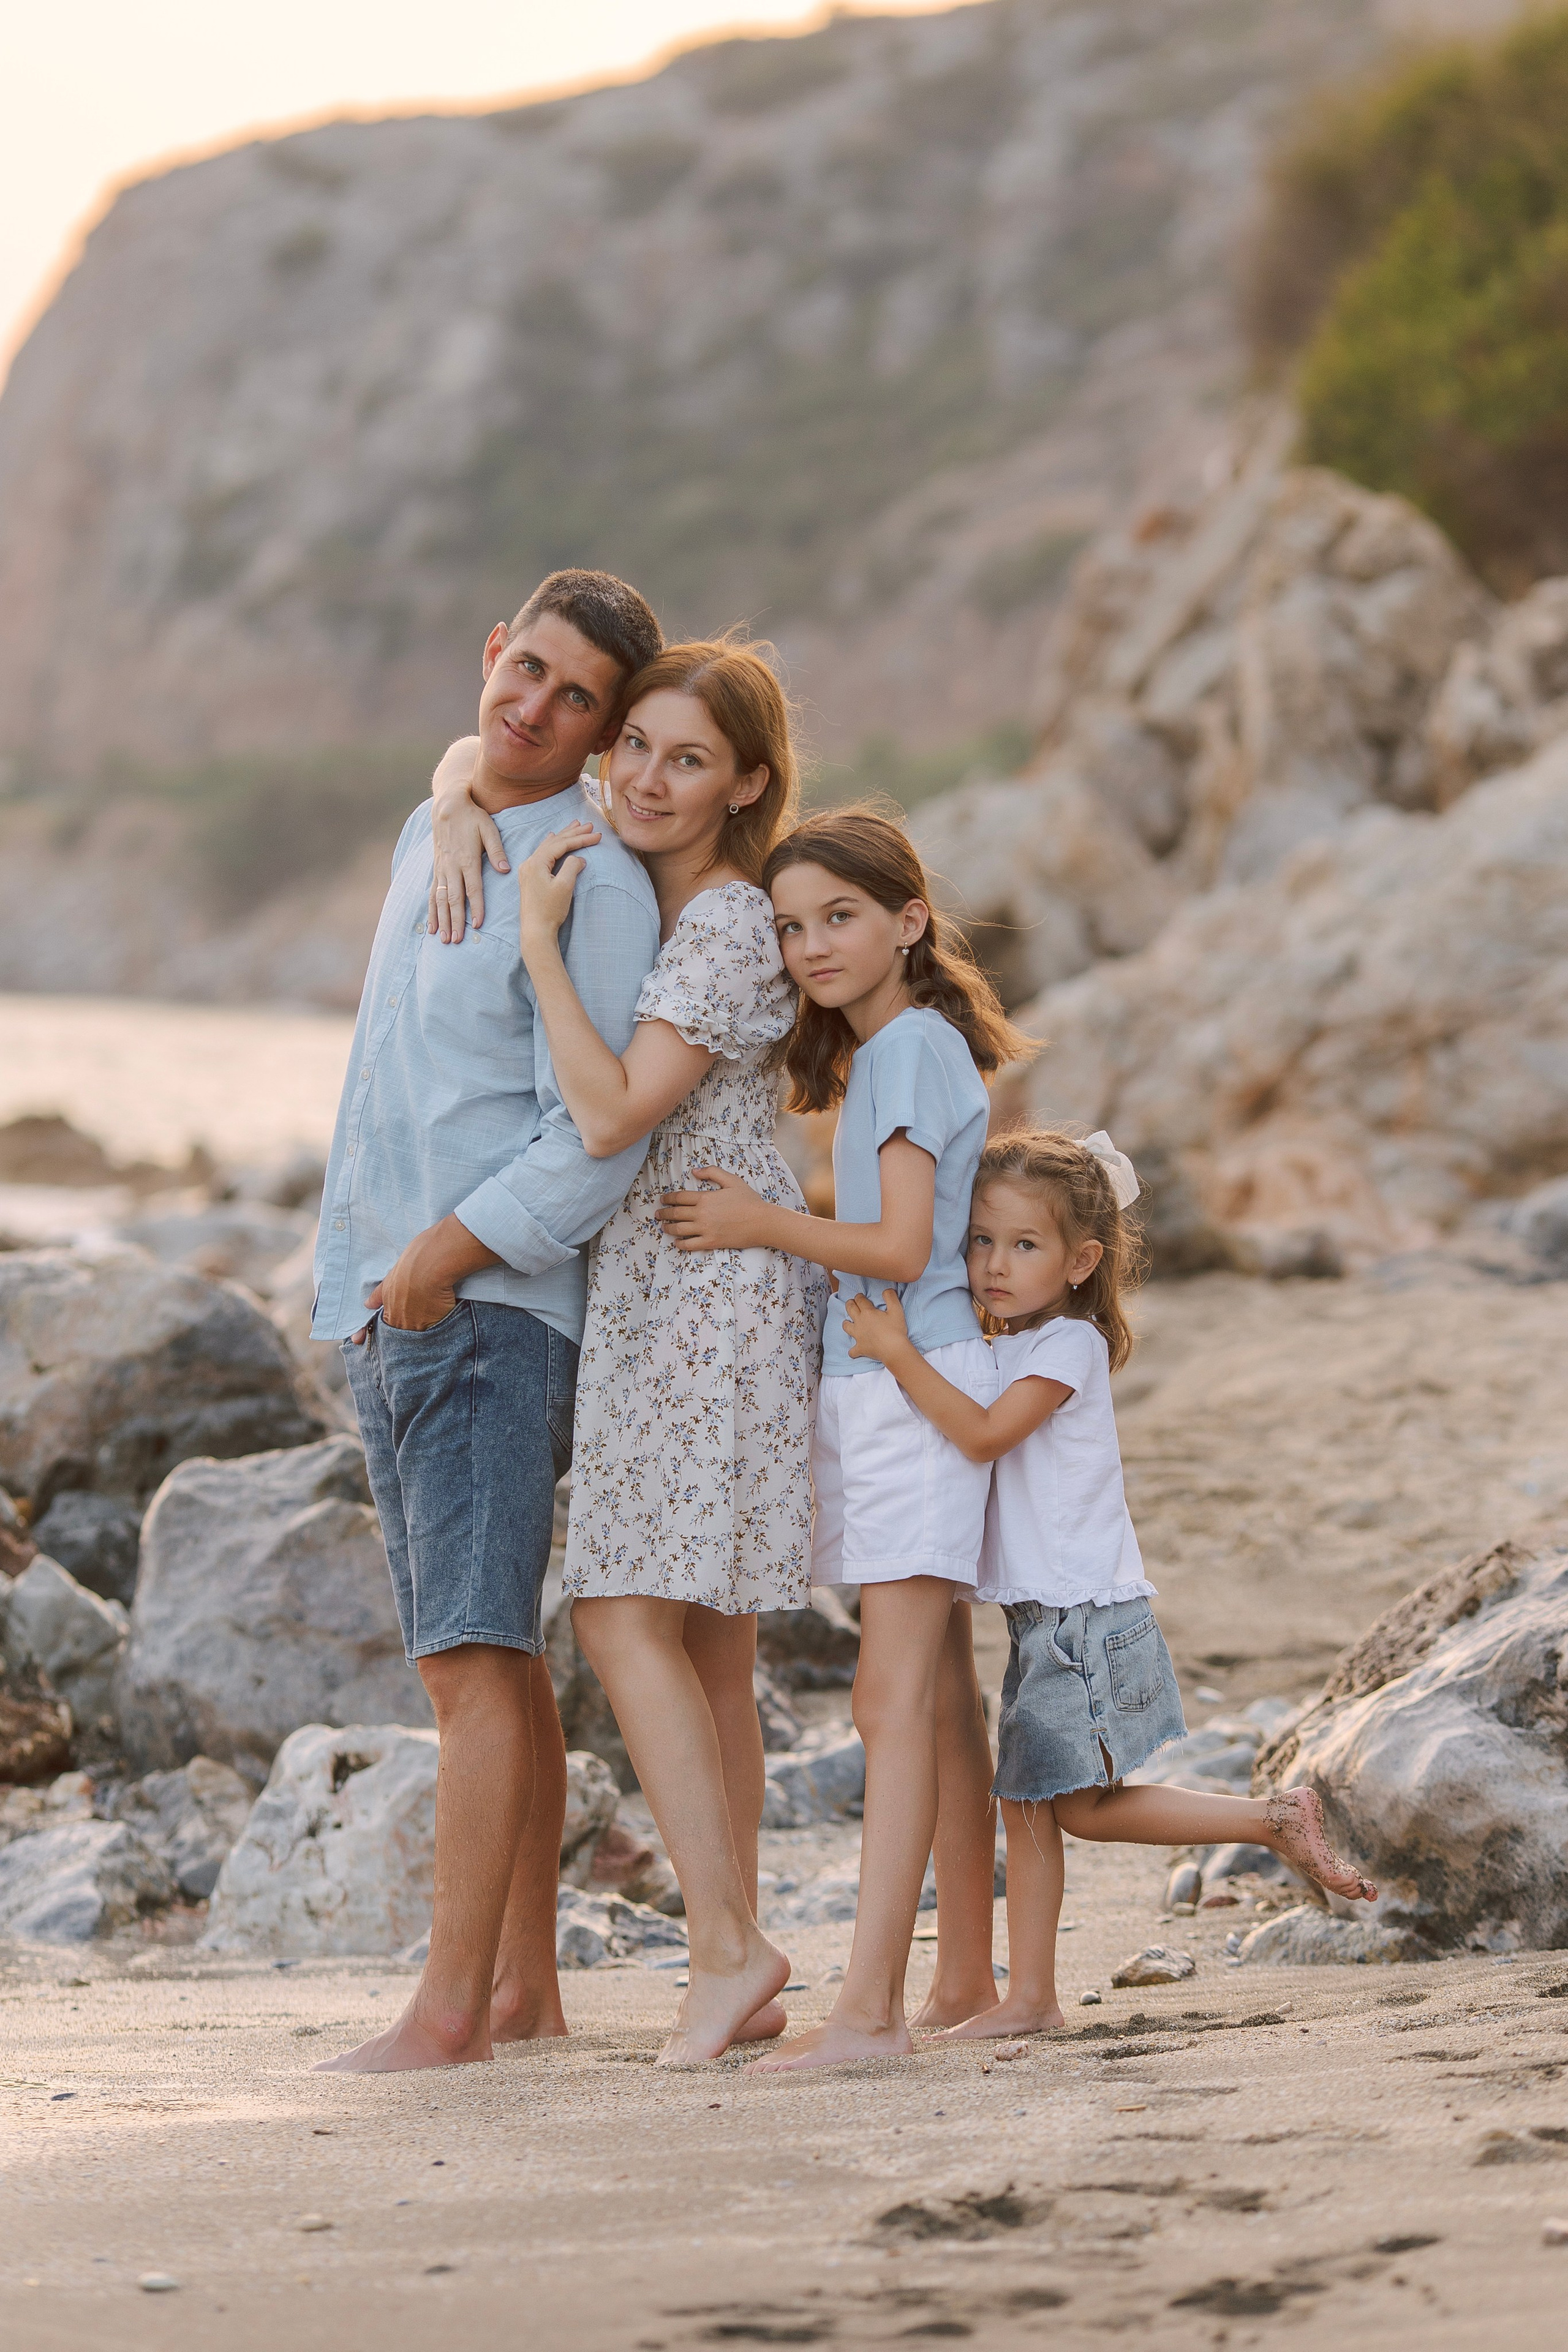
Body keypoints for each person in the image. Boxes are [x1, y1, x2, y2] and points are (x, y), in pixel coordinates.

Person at [424, 640, 824, 2066]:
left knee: (615, 1614)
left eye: (690, 759)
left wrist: (533, 945)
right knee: (712, 1647)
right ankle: (739, 1951)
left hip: (701, 1289)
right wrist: (460, 791)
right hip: (690, 1283)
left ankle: (726, 1948)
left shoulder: (716, 923)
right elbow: (474, 756)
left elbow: (609, 1119)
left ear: (747, 784)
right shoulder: (649, 881)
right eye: (636, 746)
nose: (650, 777)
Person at [310, 568, 665, 2075]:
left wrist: (447, 1256)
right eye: (523, 669)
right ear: (490, 654)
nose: (531, 706)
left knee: (464, 1664)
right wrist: (377, 1280)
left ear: (604, 728)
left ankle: (444, 2013)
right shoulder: (434, 822)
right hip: (388, 1302)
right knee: (493, 1663)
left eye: (573, 694)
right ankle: (523, 1996)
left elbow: (598, 1133)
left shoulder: (594, 872)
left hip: (484, 1308)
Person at [843, 1125, 1379, 2041]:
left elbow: (978, 1438)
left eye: (1023, 1245)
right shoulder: (1009, 1343)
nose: (994, 1265)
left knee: (1071, 1810)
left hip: (1084, 1619)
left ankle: (1266, 1823)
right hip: (1043, 1618)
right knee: (1036, 1804)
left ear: (1083, 1261)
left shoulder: (1069, 1348)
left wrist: (897, 1353)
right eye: (979, 1241)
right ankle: (1035, 1998)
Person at [658, 807, 1034, 2071]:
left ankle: (869, 2013)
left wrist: (763, 1221)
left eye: (839, 919)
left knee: (890, 1697)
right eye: (789, 926)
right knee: (928, 1695)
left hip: (905, 1394)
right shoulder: (895, 1052)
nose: (810, 947)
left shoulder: (908, 1053)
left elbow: (896, 1249)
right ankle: (961, 1982)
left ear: (907, 923)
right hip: (894, 1384)